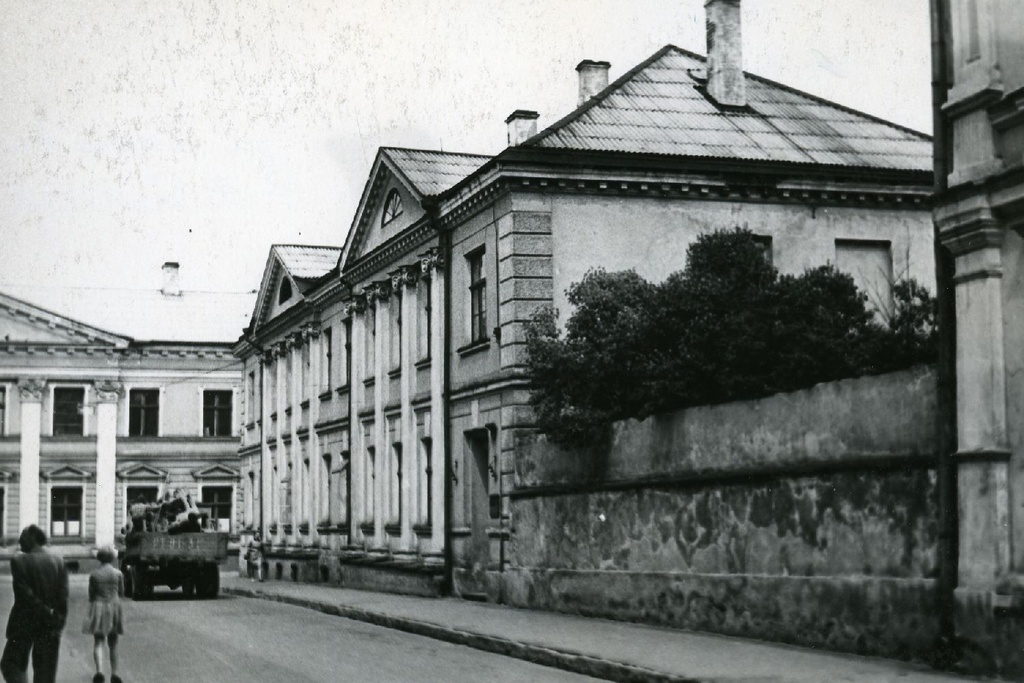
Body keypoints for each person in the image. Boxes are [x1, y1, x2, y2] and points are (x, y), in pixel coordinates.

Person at [0, 525, 68, 683]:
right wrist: (58, 621)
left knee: (11, 663)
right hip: (50, 624)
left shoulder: (19, 560)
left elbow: (25, 594)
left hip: (23, 622)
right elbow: (63, 596)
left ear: (32, 539)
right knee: (45, 673)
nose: (19, 541)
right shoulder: (58, 560)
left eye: (22, 537)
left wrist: (46, 612)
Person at [82, 547, 124, 683]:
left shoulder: (94, 574)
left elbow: (91, 594)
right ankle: (115, 673)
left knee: (98, 641)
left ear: (99, 558)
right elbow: (122, 592)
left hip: (98, 607)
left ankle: (99, 671)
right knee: (113, 642)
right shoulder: (118, 573)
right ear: (112, 558)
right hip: (113, 606)